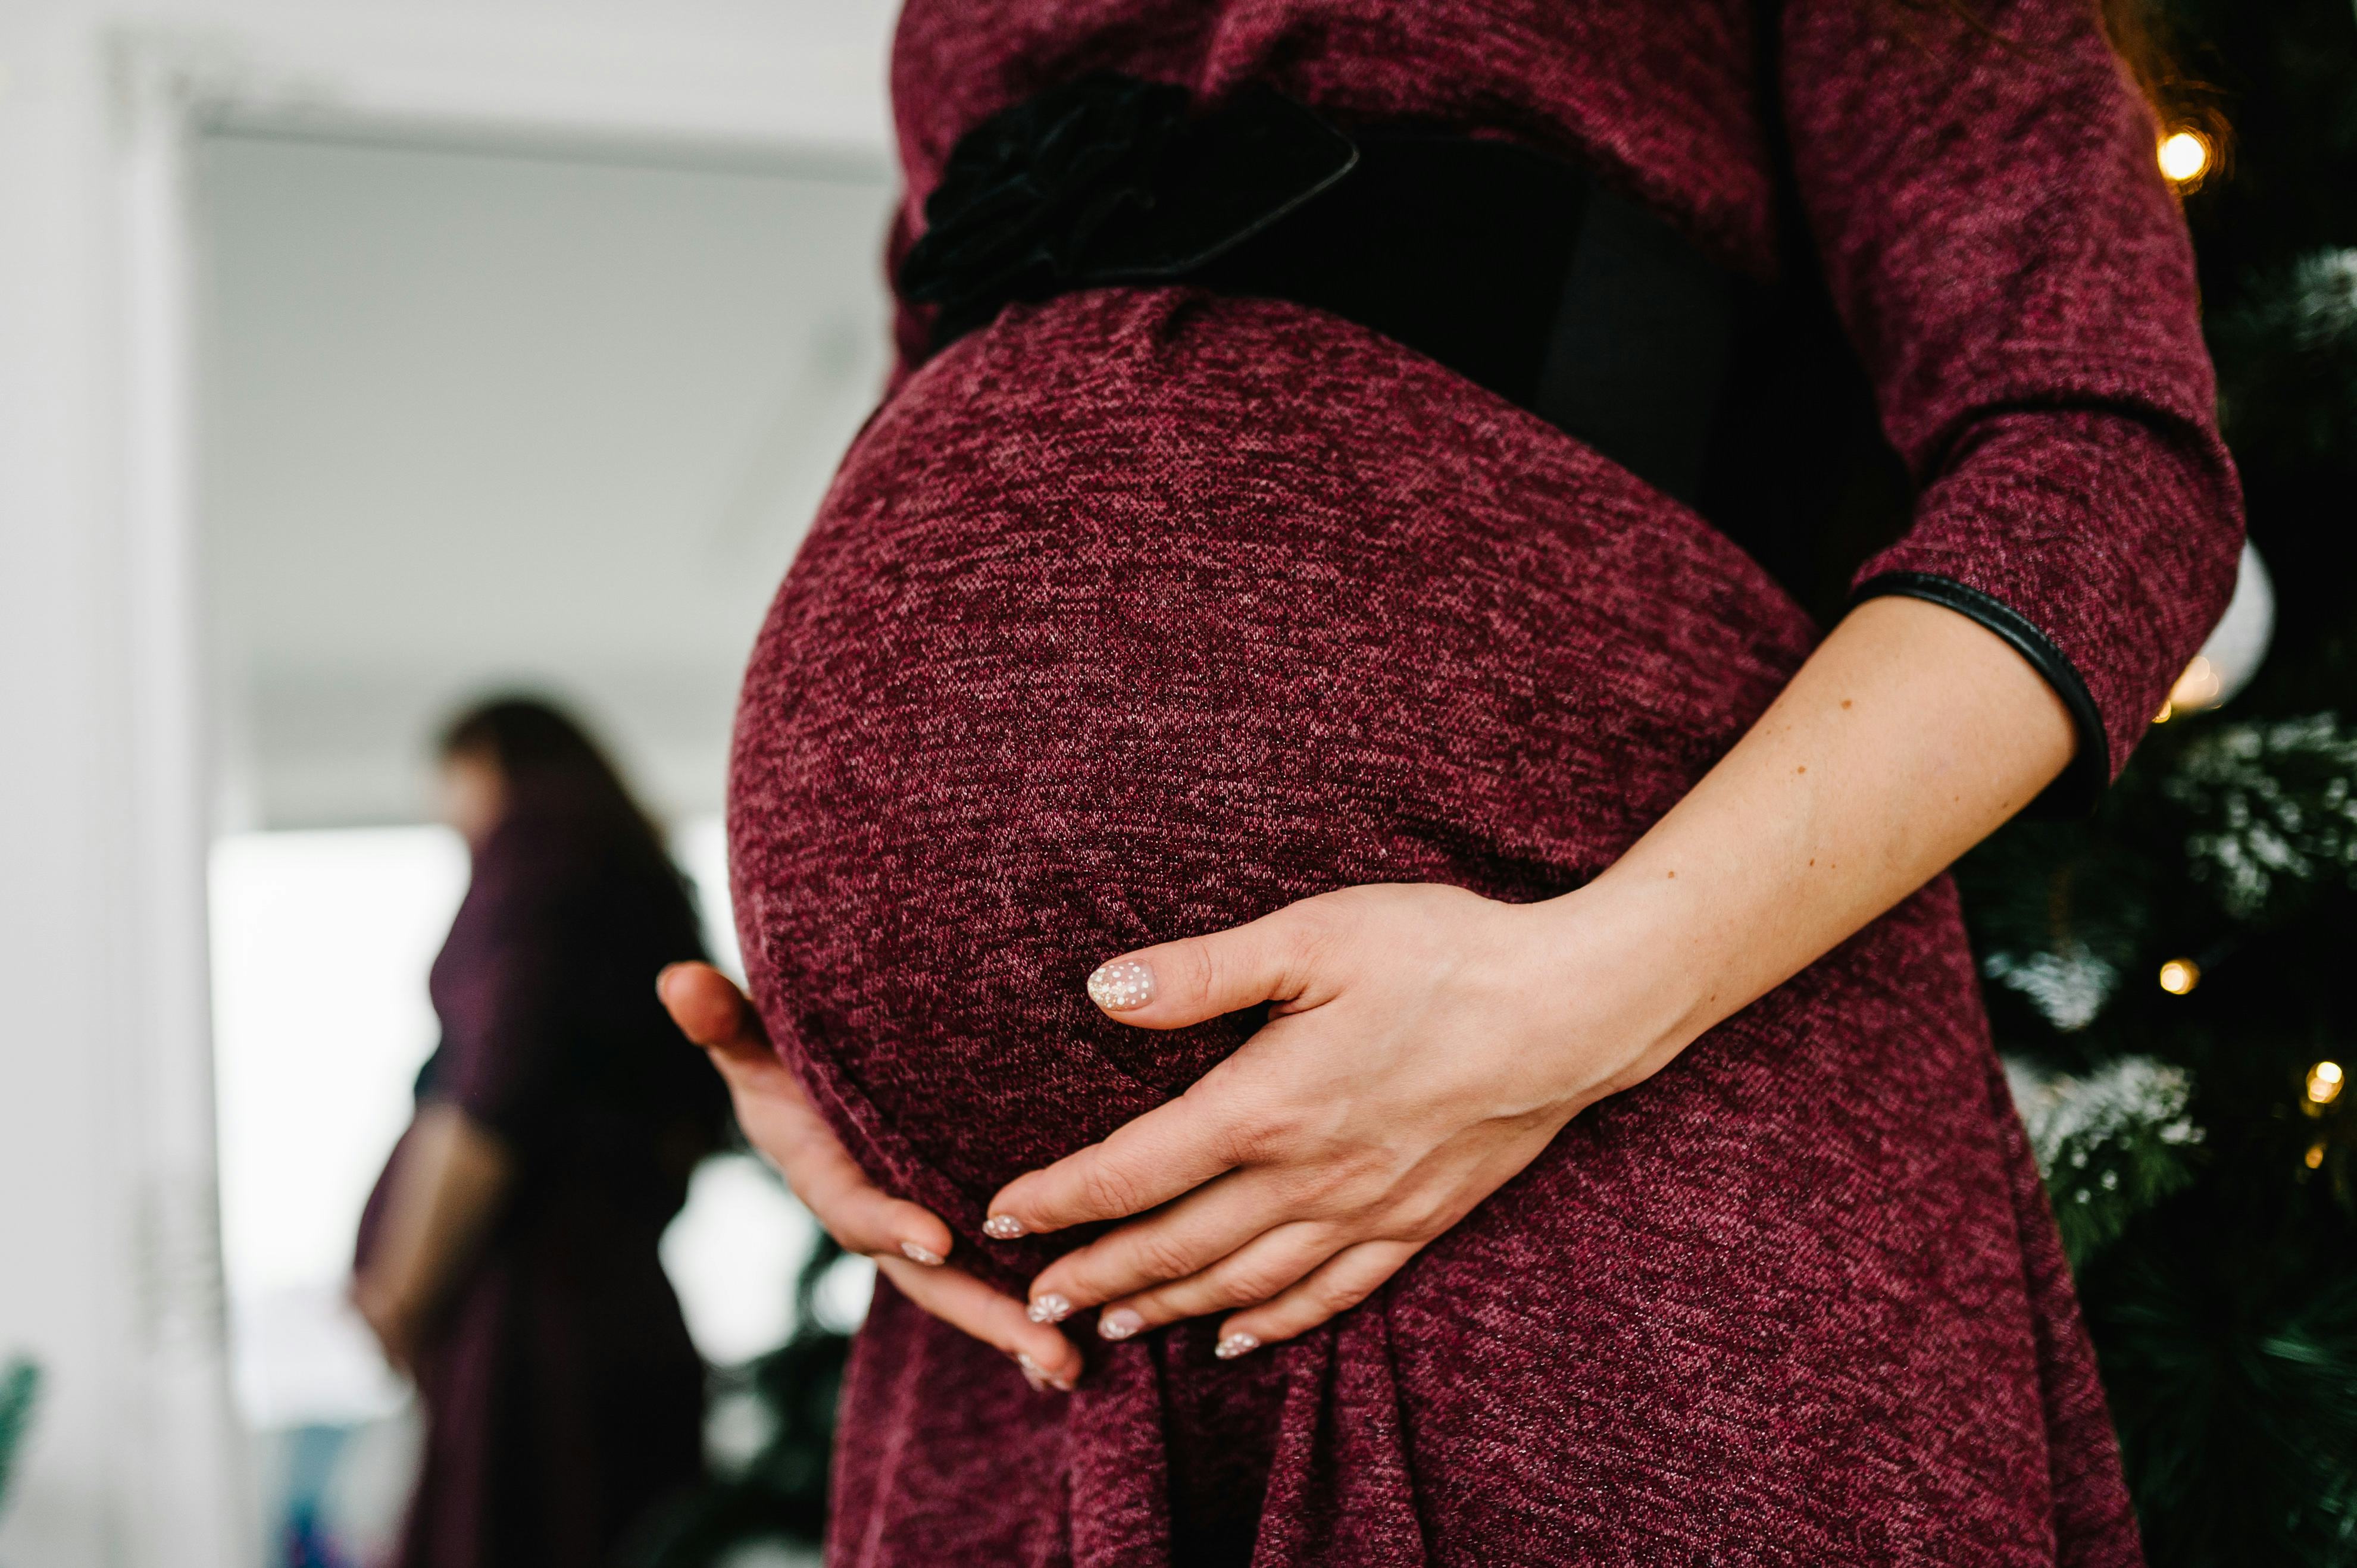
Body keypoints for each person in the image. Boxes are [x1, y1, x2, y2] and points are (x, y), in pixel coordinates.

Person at [665, 0, 2245, 1561]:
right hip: (1027, 1308)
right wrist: (838, 1033)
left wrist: (1580, 992)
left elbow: (2100, 463)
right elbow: (955, 420)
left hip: (1597, 1107)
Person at [355, 697, 729, 1568]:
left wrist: (402, 1288)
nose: (450, 815)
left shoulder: (537, 853)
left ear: (489, 760)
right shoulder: (633, 877)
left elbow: (493, 1097)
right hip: (610, 1309)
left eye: (449, 785)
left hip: (532, 1334)